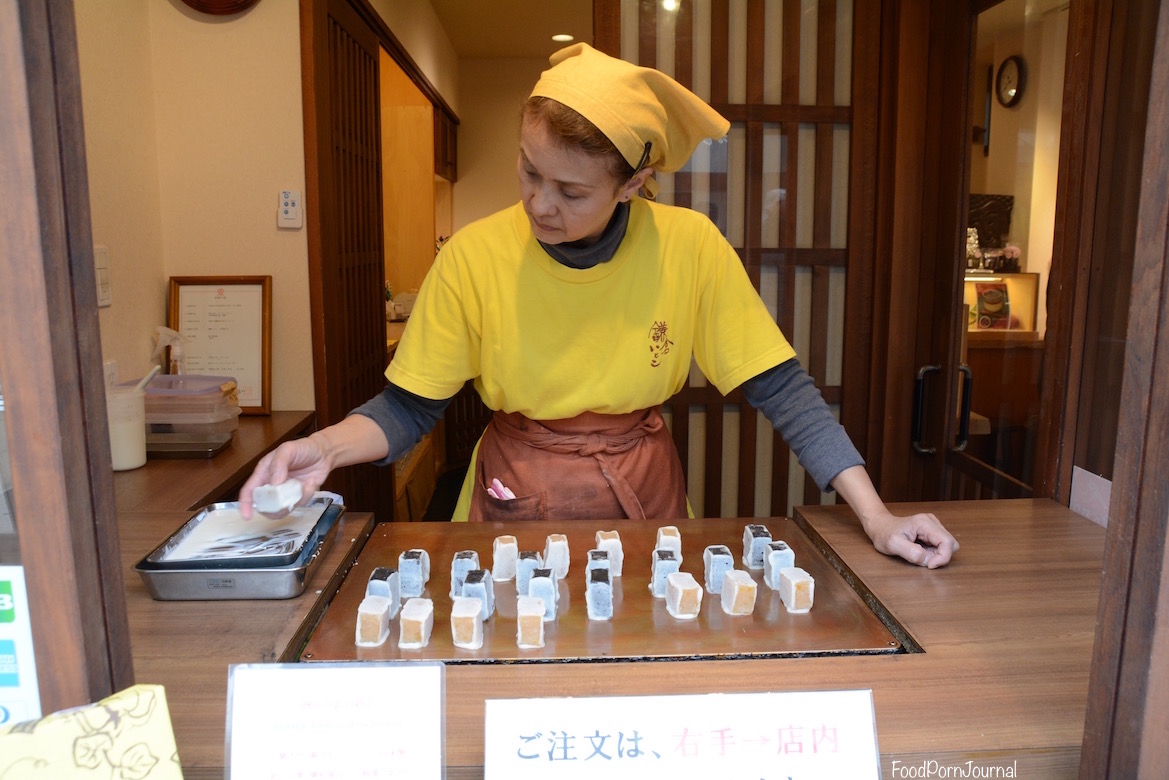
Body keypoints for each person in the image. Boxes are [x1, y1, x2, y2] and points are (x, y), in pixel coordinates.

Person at [240, 43, 958, 569]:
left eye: (571, 191)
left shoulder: (688, 246)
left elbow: (783, 393)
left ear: (633, 185)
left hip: (643, 495)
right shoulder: (472, 255)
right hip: (510, 494)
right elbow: (408, 409)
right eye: (528, 169)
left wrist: (875, 516)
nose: (537, 204)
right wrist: (323, 449)